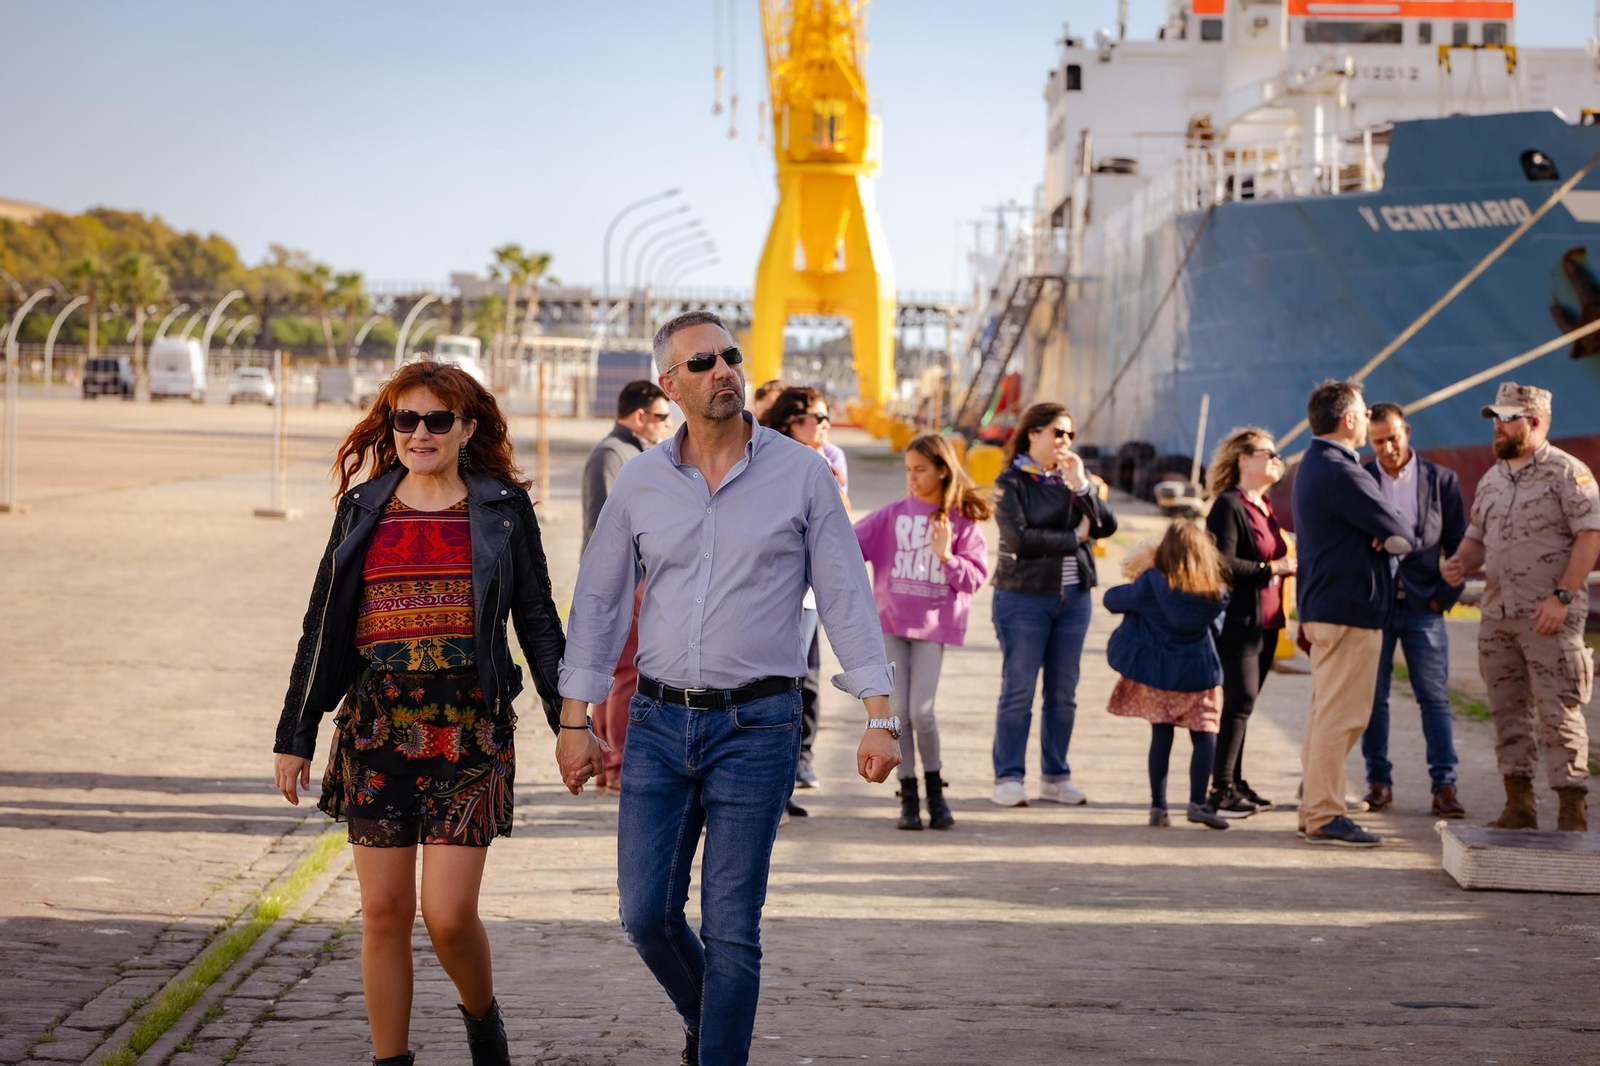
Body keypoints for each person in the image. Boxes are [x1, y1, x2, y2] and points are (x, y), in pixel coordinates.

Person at [554, 310, 900, 1066]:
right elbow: (601, 601)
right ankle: (710, 1024)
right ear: (669, 385)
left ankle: (719, 1052)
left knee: (734, 928)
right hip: (654, 723)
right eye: (702, 363)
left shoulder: (802, 474)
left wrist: (881, 715)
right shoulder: (643, 480)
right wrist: (575, 719)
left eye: (730, 357)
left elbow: (845, 595)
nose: (723, 371)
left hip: (759, 726)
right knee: (645, 914)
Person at [272, 360, 565, 1066]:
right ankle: (390, 1060)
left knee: (449, 915)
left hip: (471, 728)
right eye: (407, 419)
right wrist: (296, 733)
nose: (421, 432)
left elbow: (538, 621)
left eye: (438, 419)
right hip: (376, 727)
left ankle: (481, 1019)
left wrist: (572, 725)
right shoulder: (363, 508)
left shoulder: (501, 508)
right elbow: (323, 629)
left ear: (466, 427)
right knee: (382, 913)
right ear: (392, 426)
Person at [1442, 382, 1600, 832]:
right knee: (1507, 712)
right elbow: (1476, 539)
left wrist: (1563, 597)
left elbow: (1591, 534)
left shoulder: (1568, 473)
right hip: (1498, 616)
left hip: (1548, 616)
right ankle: (1519, 805)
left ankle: (1572, 811)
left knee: (1559, 713)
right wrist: (1460, 564)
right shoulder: (1493, 479)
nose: (1498, 427)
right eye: (1495, 418)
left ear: (1534, 422)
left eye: (1507, 418)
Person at [1291, 379, 1413, 848]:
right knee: (1342, 717)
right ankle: (1324, 813)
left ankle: (1315, 808)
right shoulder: (1343, 470)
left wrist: (1382, 533)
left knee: (1325, 713)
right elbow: (1402, 530)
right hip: (1350, 609)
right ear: (1348, 419)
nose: (1367, 420)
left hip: (1328, 606)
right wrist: (1384, 533)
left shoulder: (1312, 465)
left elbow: (1391, 531)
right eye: (1363, 413)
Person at [854, 433, 992, 829]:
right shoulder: (891, 515)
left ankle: (935, 788)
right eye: (908, 470)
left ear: (943, 471)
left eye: (920, 470)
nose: (912, 478)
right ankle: (909, 796)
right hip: (892, 624)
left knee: (922, 712)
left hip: (933, 628)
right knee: (899, 717)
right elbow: (845, 547)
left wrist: (946, 555)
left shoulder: (962, 521)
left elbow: (973, 579)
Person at [990, 402, 1118, 807]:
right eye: (1057, 433)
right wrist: (1075, 539)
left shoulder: (1074, 481)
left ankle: (1056, 775)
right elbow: (1020, 540)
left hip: (1073, 599)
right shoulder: (1011, 481)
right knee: (1019, 689)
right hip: (1023, 598)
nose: (1065, 442)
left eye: (1070, 435)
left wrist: (1082, 486)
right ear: (1034, 433)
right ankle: (1008, 775)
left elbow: (1106, 526)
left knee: (1063, 693)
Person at [1360, 402, 1468, 818]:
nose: (1386, 448)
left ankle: (1445, 786)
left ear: (1407, 430)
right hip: (1377, 608)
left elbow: (1459, 547)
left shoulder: (1442, 480)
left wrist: (1445, 598)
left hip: (1425, 607)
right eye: (1378, 441)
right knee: (1374, 699)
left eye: (1393, 437)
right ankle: (1378, 783)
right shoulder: (1361, 480)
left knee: (1435, 699)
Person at [1104, 522, 1230, 830]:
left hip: (1158, 674)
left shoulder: (1150, 584)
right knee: (1204, 737)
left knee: (1162, 736)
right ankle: (1198, 803)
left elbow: (1111, 600)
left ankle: (1158, 807)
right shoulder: (1215, 591)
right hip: (1199, 674)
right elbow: (1217, 628)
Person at [580, 379, 674, 792]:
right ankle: (616, 767)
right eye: (662, 417)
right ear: (640, 416)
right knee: (626, 675)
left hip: (629, 577)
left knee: (614, 673)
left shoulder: (628, 453)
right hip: (623, 578)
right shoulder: (613, 455)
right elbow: (610, 529)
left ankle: (606, 764)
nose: (667, 426)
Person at [1204, 427, 1295, 818]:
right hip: (1240, 619)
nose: (1276, 460)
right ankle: (1220, 787)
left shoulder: (1264, 505)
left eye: (1277, 455)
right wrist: (1273, 567)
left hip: (1269, 620)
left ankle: (1236, 781)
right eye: (1267, 453)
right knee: (1238, 704)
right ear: (1243, 459)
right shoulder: (1229, 505)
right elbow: (1220, 564)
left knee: (1247, 703)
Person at [762, 385, 847, 794]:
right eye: (818, 417)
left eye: (828, 417)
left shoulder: (831, 461)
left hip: (812, 595)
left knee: (808, 680)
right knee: (776, 679)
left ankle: (800, 760)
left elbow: (840, 529)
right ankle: (776, 767)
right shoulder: (765, 461)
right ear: (790, 423)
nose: (827, 425)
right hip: (773, 593)